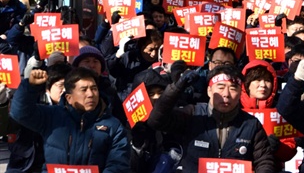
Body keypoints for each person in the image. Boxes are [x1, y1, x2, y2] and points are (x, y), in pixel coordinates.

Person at [147, 65, 276, 173]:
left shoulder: (251, 124)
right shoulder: (193, 114)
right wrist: (176, 88)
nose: (226, 94)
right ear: (209, 91)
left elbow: (264, 161)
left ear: (240, 93)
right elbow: (156, 120)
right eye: (220, 88)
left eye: (233, 88)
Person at [9, 67, 130, 172]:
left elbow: (118, 163)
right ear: (69, 98)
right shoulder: (52, 116)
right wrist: (30, 87)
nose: (90, 94)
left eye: (94, 88)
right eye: (83, 90)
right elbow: (20, 113)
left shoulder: (113, 125)